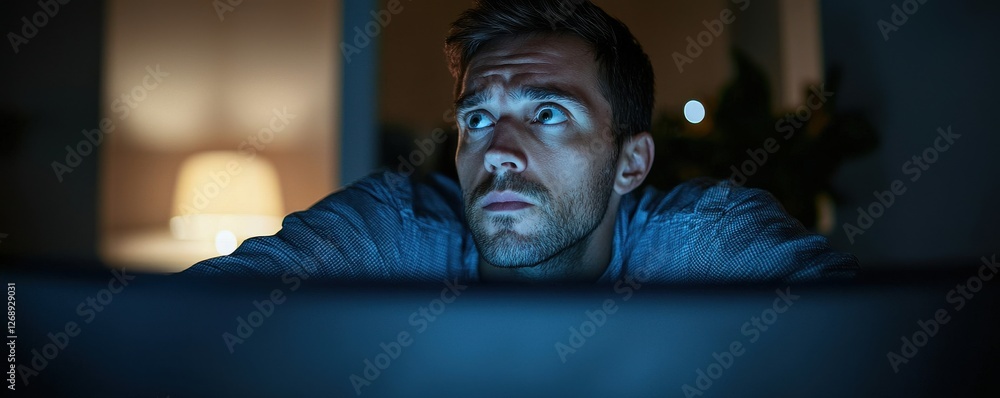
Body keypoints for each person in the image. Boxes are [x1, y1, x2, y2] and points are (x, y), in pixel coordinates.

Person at [183, 0, 859, 283]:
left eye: (547, 115)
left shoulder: (704, 241)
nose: (497, 151)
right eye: (476, 119)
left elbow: (866, 337)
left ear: (632, 162)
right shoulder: (394, 230)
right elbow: (188, 320)